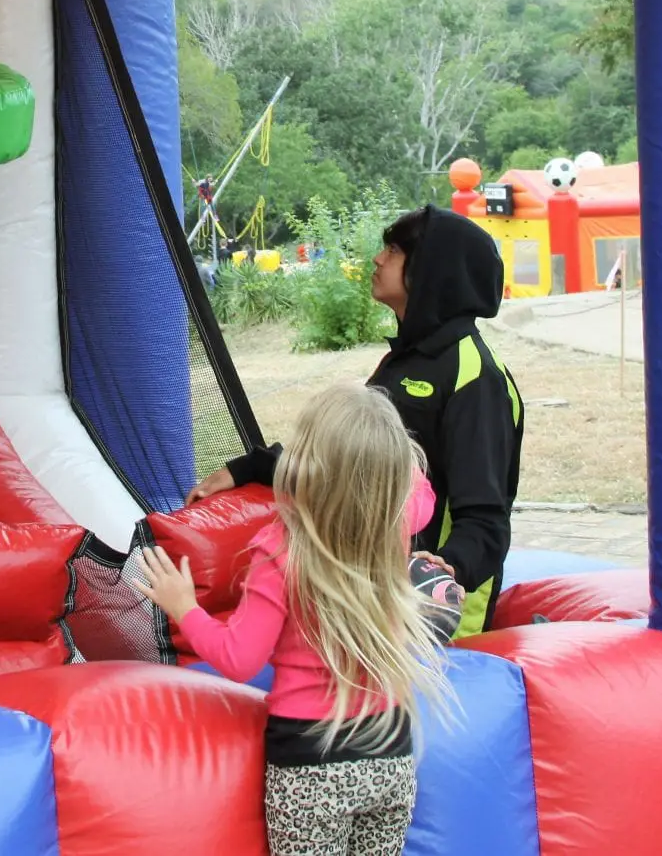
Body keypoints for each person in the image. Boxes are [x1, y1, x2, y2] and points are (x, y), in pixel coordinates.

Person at [142, 384, 452, 856]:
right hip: (391, 748)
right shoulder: (394, 521)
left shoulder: (281, 550)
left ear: (305, 464)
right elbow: (420, 491)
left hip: (312, 761)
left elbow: (240, 658)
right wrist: (382, 453)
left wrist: (184, 607)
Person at [188, 206, 523, 636]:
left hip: (434, 619)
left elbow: (485, 520)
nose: (378, 259)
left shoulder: (476, 379)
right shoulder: (401, 364)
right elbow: (351, 470)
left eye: (395, 250)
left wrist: (444, 572)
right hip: (372, 597)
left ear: (433, 270)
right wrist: (251, 468)